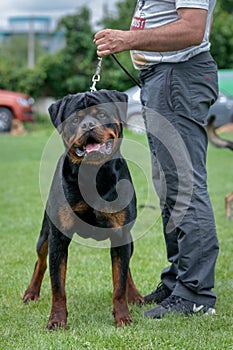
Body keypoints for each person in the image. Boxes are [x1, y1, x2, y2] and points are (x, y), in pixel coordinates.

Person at [94, 0, 219, 319]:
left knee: (185, 184)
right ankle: (179, 279)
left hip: (180, 76)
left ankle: (195, 293)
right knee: (169, 186)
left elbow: (192, 28)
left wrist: (128, 39)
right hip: (161, 77)